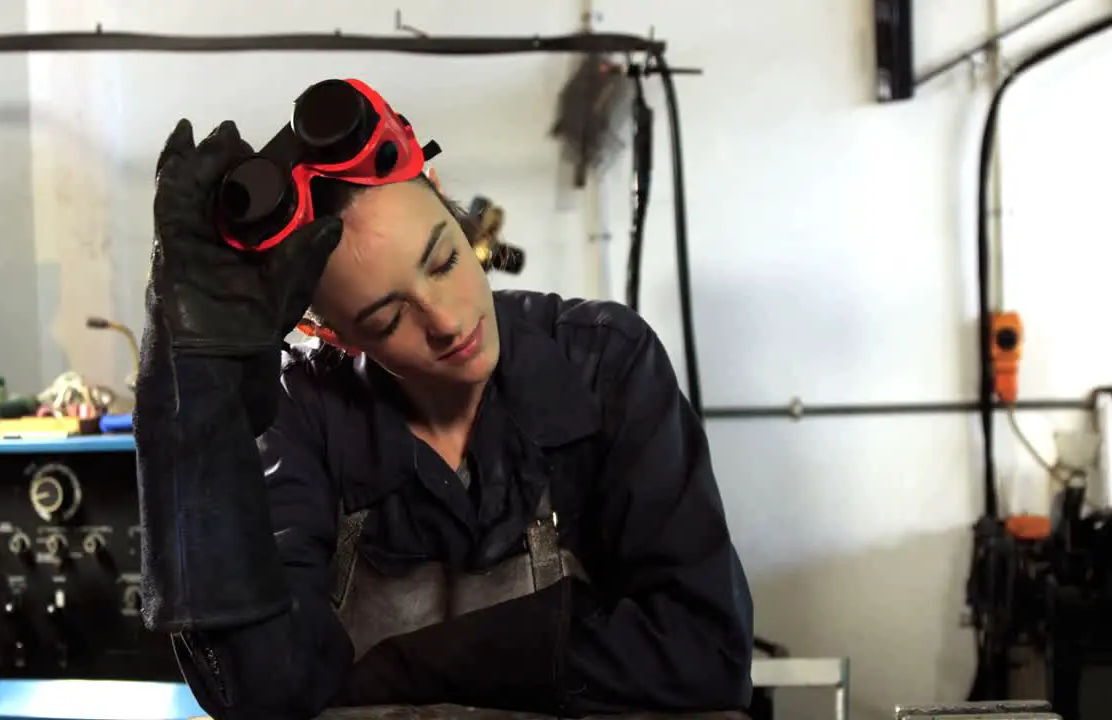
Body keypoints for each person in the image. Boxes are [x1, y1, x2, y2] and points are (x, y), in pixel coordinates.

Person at [135, 89, 754, 720]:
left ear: (448, 205)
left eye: (445, 259)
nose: (448, 320)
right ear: (333, 334)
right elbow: (267, 690)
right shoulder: (307, 411)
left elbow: (704, 651)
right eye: (388, 316)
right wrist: (194, 398)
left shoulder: (604, 365)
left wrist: (410, 665)